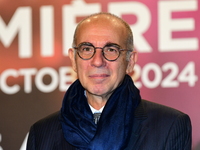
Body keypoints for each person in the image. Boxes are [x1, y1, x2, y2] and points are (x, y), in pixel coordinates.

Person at [26, 12, 192, 150]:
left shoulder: (169, 125)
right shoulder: (42, 133)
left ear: (130, 61)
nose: (98, 61)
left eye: (111, 50)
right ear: (73, 59)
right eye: (87, 49)